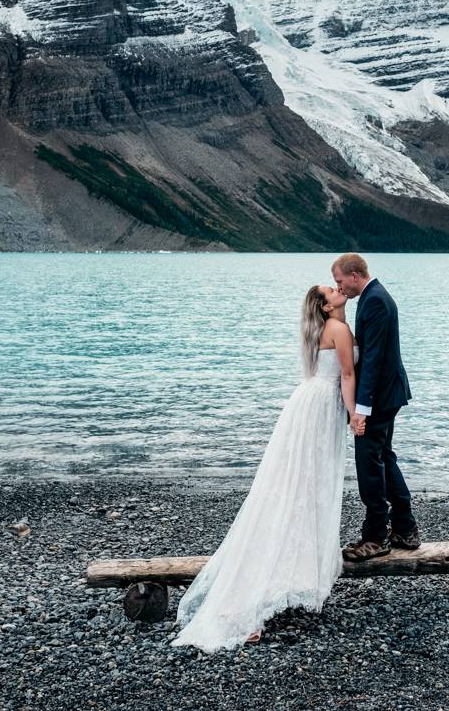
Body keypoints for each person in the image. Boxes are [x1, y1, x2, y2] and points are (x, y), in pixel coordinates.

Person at [170, 282, 359, 652]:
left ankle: (288, 571)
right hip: (321, 408)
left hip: (306, 404)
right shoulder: (338, 329)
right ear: (323, 306)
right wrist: (355, 416)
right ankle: (275, 583)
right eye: (331, 292)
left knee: (294, 485)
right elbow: (348, 376)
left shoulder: (322, 328)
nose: (338, 291)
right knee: (309, 485)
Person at [331, 253, 420, 560]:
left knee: (369, 462)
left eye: (340, 281)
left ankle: (376, 537)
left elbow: (374, 360)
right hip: (386, 394)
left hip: (380, 397)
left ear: (355, 275)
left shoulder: (376, 301)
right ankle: (405, 528)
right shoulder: (371, 298)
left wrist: (360, 409)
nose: (339, 288)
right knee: (383, 456)